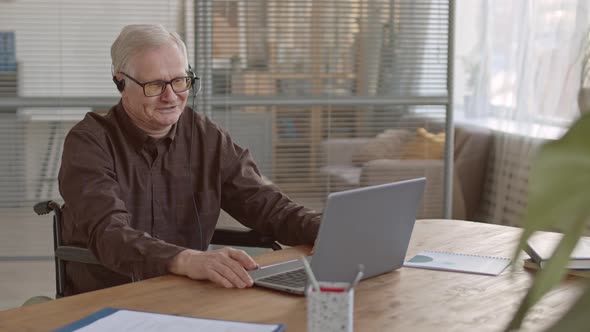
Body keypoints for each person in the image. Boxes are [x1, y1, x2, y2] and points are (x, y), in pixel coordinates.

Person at [58, 24, 321, 296]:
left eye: (180, 81)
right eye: (155, 85)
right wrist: (186, 259)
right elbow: (109, 233)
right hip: (107, 296)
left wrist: (324, 229)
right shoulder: (89, 142)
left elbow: (266, 205)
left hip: (188, 292)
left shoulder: (207, 136)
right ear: (120, 82)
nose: (171, 97)